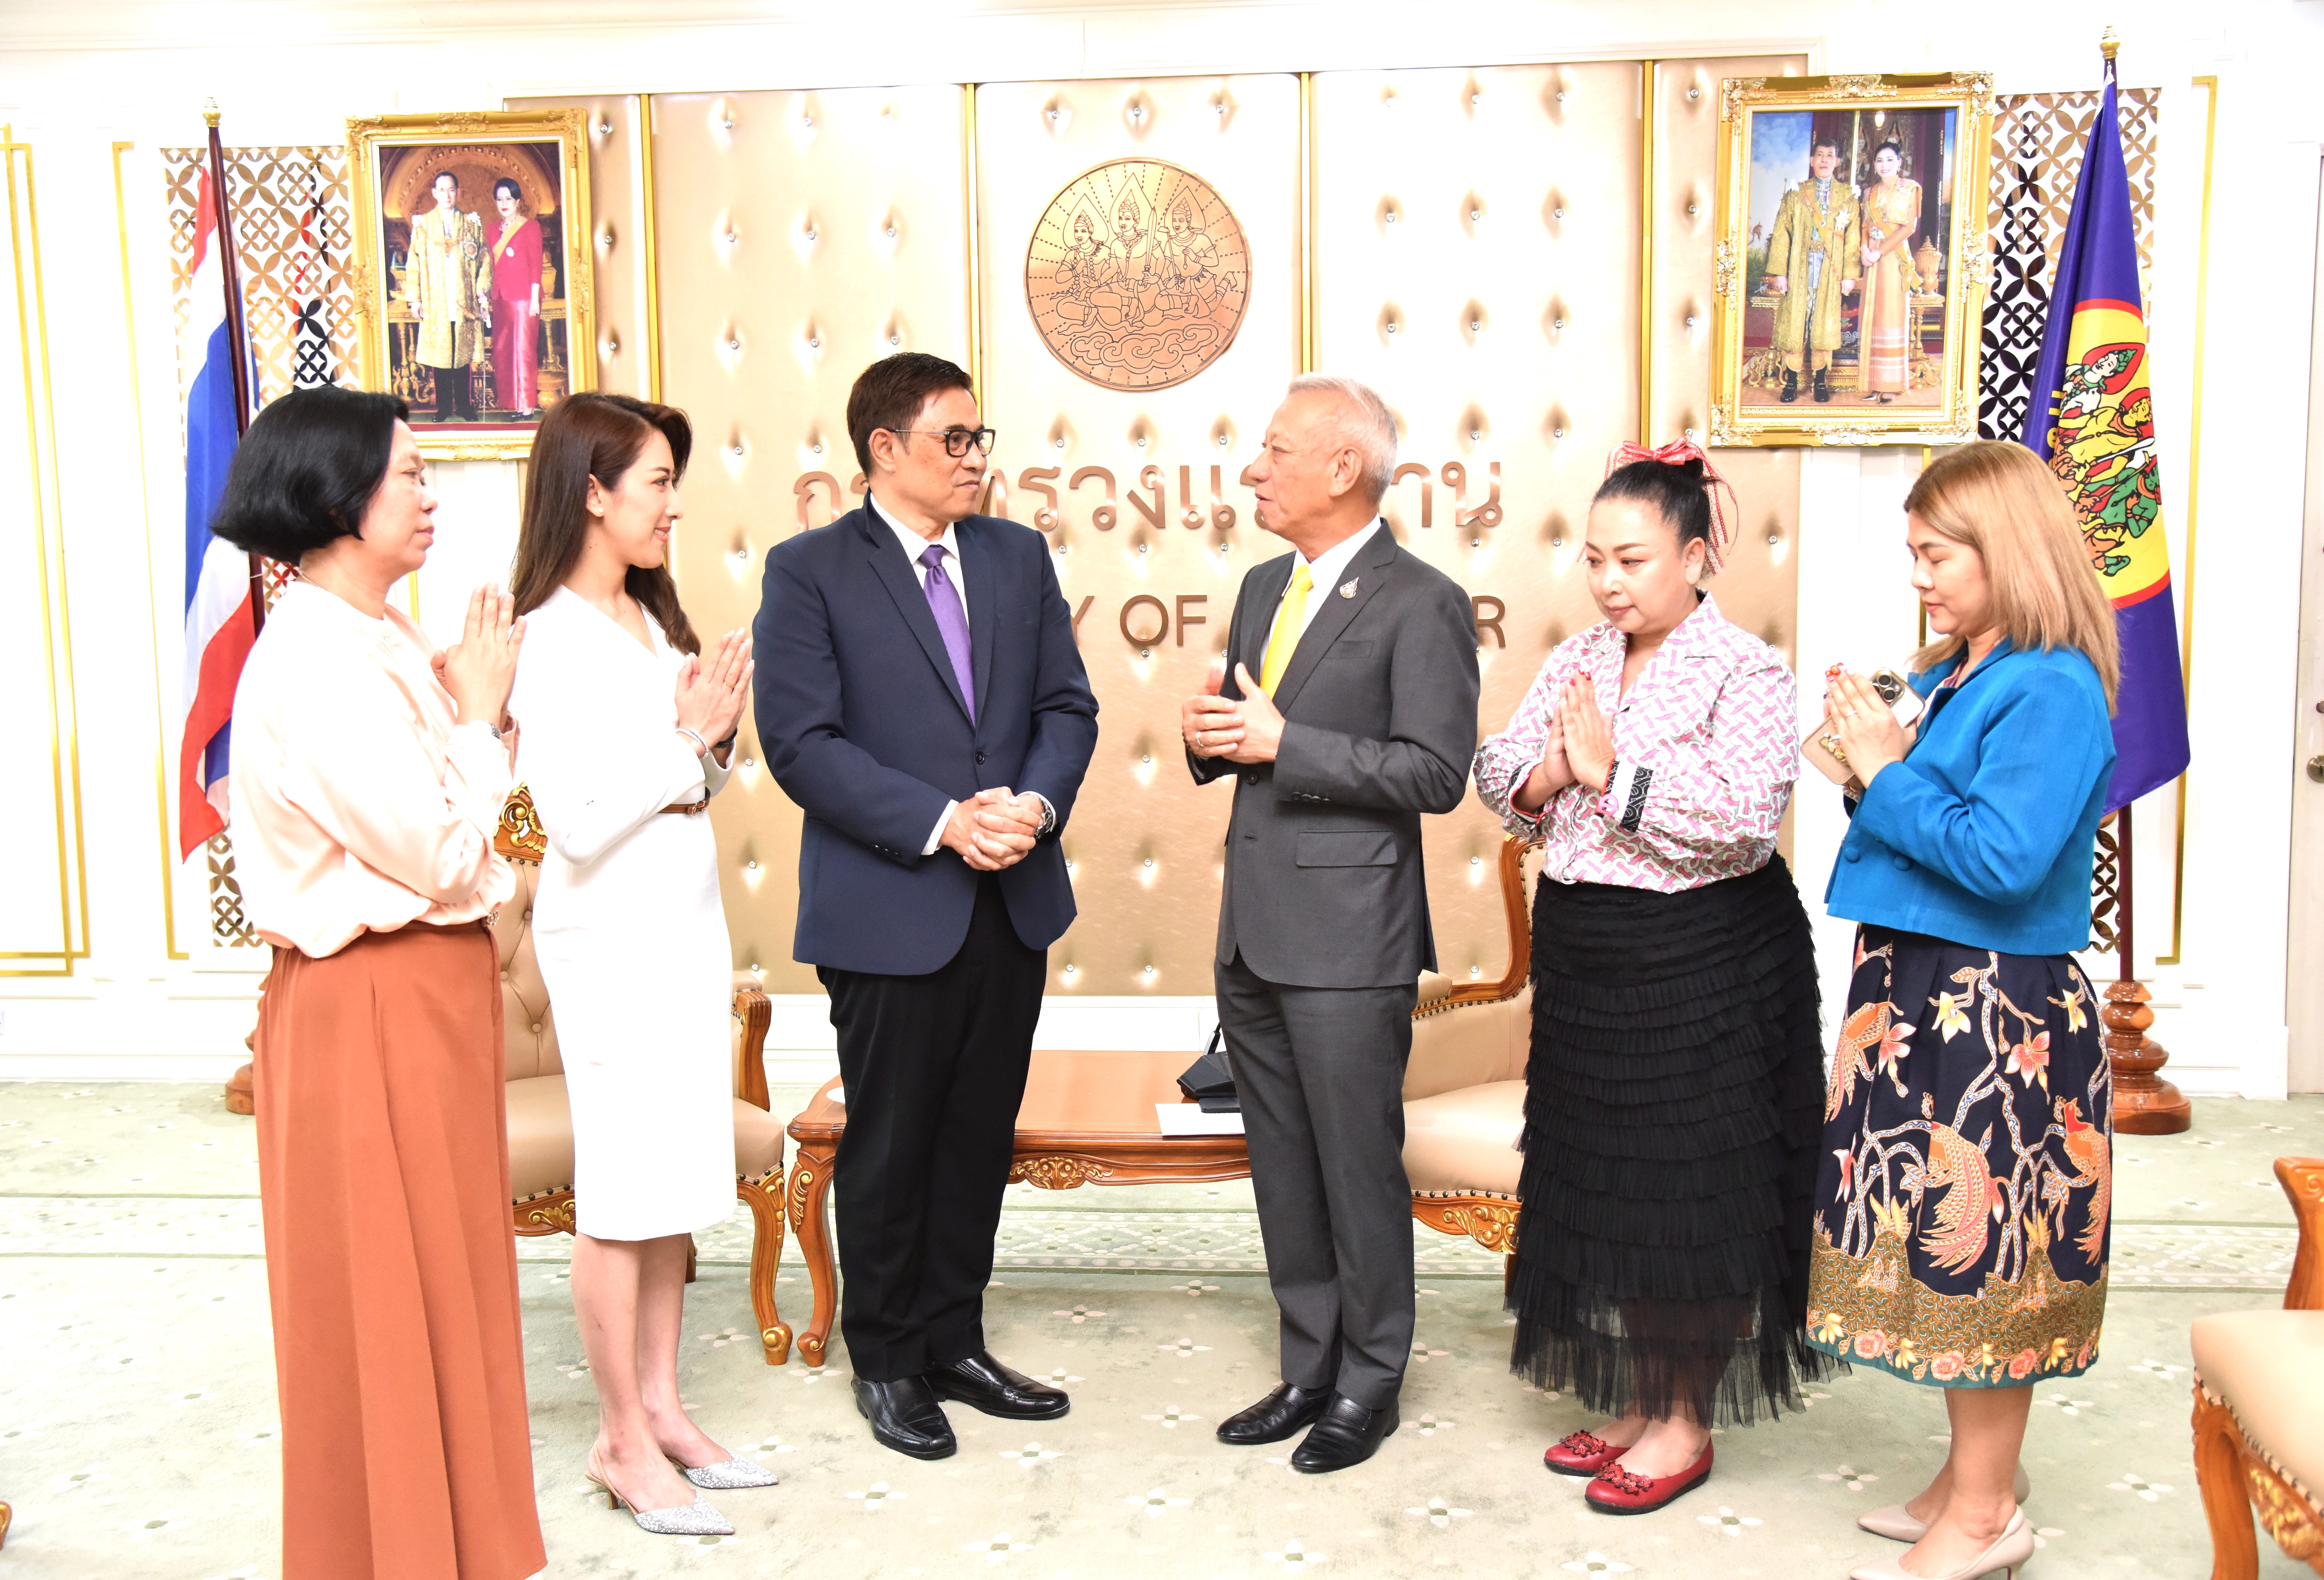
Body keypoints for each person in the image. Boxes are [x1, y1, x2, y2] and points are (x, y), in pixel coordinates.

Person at [218, 384, 544, 1580]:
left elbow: (466, 830)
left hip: (424, 1000)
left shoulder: (381, 637)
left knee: (448, 1290)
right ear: (336, 496)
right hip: (367, 1005)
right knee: (386, 1306)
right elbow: (451, 856)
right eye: (408, 472)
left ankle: (456, 1547)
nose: (429, 492)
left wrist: (472, 720)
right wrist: (479, 718)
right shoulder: (314, 660)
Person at [1472, 440, 1829, 1515]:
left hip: (1704, 962)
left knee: (1689, 1191)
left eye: (1630, 559)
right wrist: (1546, 771)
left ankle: (1684, 1420)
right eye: (1593, 559)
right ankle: (1639, 1399)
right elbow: (1496, 764)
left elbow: (1742, 819)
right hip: (1589, 957)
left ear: (1694, 554)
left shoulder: (1745, 670)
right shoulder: (1578, 657)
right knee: (1611, 1185)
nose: (1608, 581)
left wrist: (1608, 776)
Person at [753, 352, 1099, 1460]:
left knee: (974, 1136)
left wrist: (1032, 806)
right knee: (892, 1142)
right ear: (883, 449)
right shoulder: (808, 571)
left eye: (978, 437)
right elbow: (802, 743)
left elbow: (1066, 708)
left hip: (1011, 896)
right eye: (954, 437)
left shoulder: (1014, 555)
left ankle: (954, 1339)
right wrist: (946, 821)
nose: (974, 456)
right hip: (890, 904)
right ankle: (888, 1358)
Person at [1812, 439, 2119, 1580]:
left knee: (1986, 1261)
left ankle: (1985, 1516)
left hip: (1996, 1010)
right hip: (1928, 992)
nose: (1919, 576)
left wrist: (1884, 770)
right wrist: (1870, 761)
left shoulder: (2051, 684)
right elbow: (1932, 820)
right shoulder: (1967, 669)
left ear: (2010, 549)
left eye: (1937, 554)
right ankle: (1974, 1478)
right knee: (1936, 1245)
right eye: (1913, 552)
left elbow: (1999, 858)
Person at [1182, 373, 1481, 1474]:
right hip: (1253, 927)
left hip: (1352, 937)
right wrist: (1211, 738)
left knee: (1356, 1168)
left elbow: (1434, 772)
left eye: (1273, 451)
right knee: (1282, 1165)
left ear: (1342, 468)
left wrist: (1283, 745)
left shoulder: (1421, 600)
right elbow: (1248, 733)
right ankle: (1308, 1365)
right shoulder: (1263, 585)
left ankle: (1369, 1380)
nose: (1252, 471)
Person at [505, 393, 764, 1536]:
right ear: (592, 493)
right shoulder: (547, 639)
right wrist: (689, 738)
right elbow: (576, 820)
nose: (673, 505)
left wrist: (713, 741)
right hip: (608, 944)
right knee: (619, 1194)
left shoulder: (650, 621)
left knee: (668, 1180)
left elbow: (689, 787)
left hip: (681, 928)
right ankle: (619, 1439)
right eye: (657, 482)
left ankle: (661, 1407)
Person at [1762, 135, 1860, 404]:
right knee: (1795, 325)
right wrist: (1780, 272)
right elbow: (1781, 233)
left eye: (1830, 156)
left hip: (1830, 272)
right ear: (1811, 160)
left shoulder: (1848, 198)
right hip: (1799, 271)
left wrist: (1849, 275)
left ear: (1837, 162)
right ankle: (1791, 382)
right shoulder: (1796, 194)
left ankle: (1820, 382)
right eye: (1820, 155)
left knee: (1823, 327)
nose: (1824, 160)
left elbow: (1853, 240)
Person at [405, 169, 489, 422]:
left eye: (451, 190)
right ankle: (443, 408)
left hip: (464, 301)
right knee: (441, 358)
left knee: (462, 357)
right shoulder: (423, 226)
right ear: (435, 193)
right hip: (436, 302)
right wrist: (415, 299)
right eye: (442, 190)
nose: (447, 195)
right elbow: (413, 265)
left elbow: (484, 260)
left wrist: (482, 293)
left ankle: (464, 406)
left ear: (458, 192)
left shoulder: (471, 224)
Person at [1857, 140, 1922, 403]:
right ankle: (1874, 383)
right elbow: (1865, 225)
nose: (1884, 165)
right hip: (1871, 259)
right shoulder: (1869, 193)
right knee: (1872, 317)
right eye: (1879, 161)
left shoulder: (1910, 189)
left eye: (1890, 160)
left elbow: (1909, 228)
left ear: (1899, 163)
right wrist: (1864, 248)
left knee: (1890, 317)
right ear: (1874, 165)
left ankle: (1891, 385)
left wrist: (1879, 252)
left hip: (1893, 257)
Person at [488, 176, 544, 418]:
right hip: (501, 298)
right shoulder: (492, 230)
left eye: (508, 199)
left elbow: (536, 265)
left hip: (524, 299)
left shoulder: (530, 228)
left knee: (524, 351)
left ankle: (527, 405)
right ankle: (513, 402)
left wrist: (534, 299)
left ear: (518, 201)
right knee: (504, 351)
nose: (504, 204)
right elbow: (491, 266)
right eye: (500, 199)